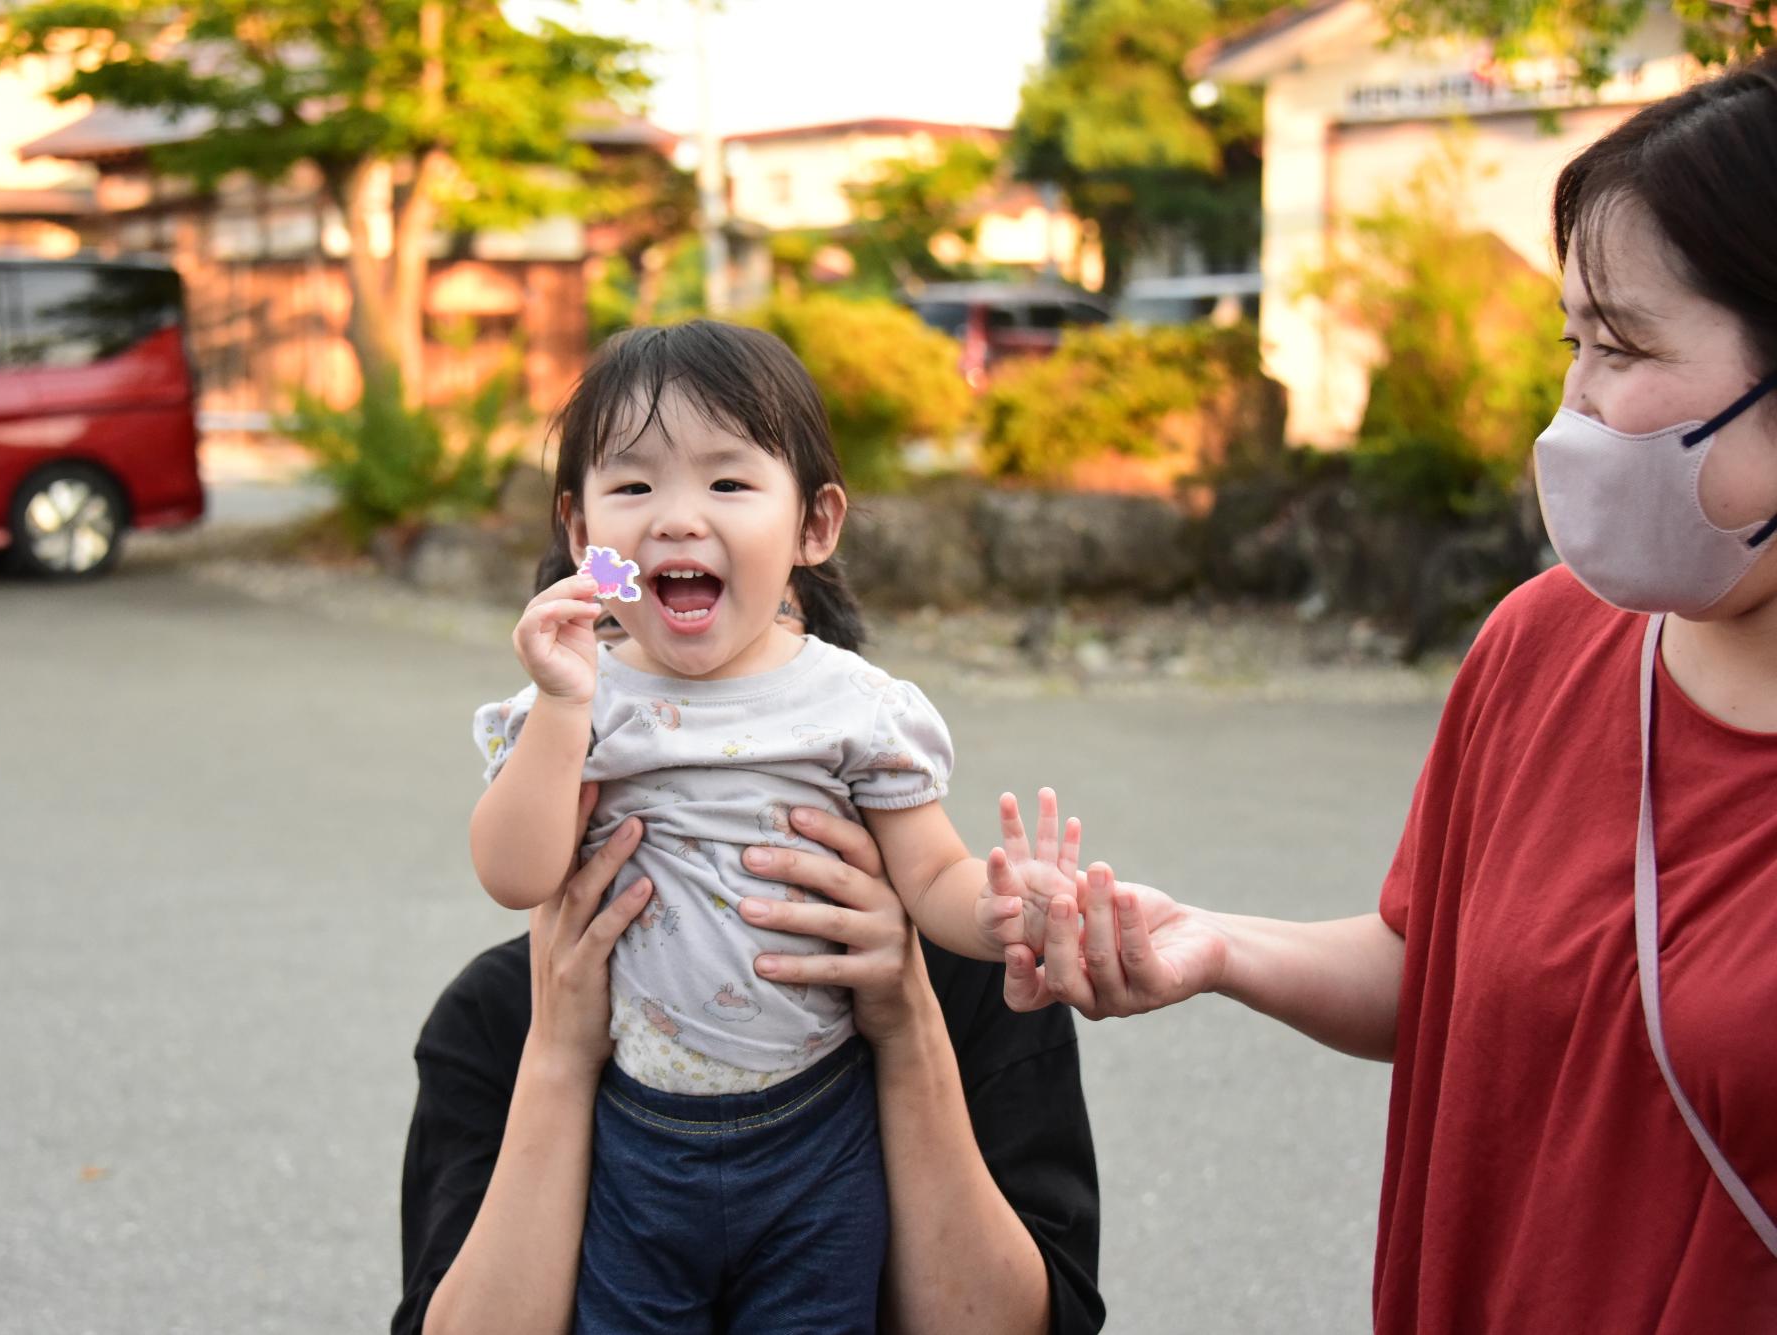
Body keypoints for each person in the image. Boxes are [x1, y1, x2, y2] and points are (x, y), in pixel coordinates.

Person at [989, 55, 1777, 1331]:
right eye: (1570, 341)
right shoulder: (1540, 646)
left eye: (1621, 346)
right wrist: (1211, 946)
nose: (1571, 404)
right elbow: (1435, 974)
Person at [463, 321, 1067, 1330]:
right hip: (635, 1131)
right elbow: (515, 875)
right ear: (581, 537)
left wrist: (1003, 907)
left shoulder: (853, 706)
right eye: (633, 487)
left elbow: (930, 876)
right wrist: (564, 706)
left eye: (728, 484)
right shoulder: (576, 699)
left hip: (815, 1124)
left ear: (813, 526)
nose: (675, 520)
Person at [392, 794, 1105, 1335]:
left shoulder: (976, 973)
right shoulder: (495, 1012)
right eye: (621, 643)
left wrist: (907, 1028)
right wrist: (558, 1054)